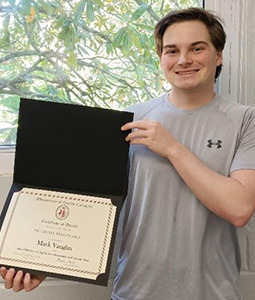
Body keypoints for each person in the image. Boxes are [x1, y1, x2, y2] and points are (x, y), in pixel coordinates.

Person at [1, 7, 255, 299]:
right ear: (161, 58)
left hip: (213, 294)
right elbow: (94, 207)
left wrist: (172, 148)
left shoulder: (246, 120)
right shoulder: (128, 121)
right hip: (134, 292)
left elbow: (239, 209)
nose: (184, 60)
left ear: (218, 55)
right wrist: (45, 261)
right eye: (172, 51)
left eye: (197, 48)